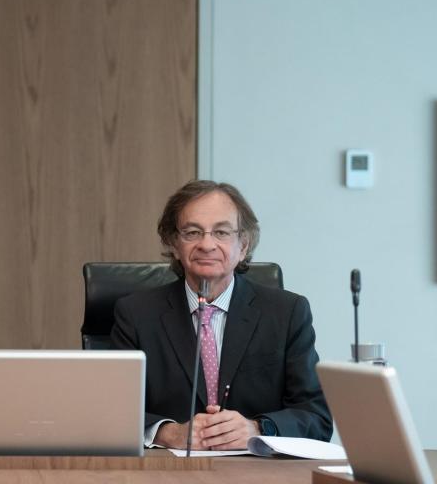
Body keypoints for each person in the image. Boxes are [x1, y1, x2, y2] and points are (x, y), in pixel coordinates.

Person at [111, 180, 332, 450]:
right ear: (174, 243)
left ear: (244, 245)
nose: (207, 244)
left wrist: (258, 428)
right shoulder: (136, 314)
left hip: (260, 474)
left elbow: (316, 418)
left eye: (222, 232)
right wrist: (168, 433)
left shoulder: (286, 313)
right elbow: (110, 411)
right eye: (192, 232)